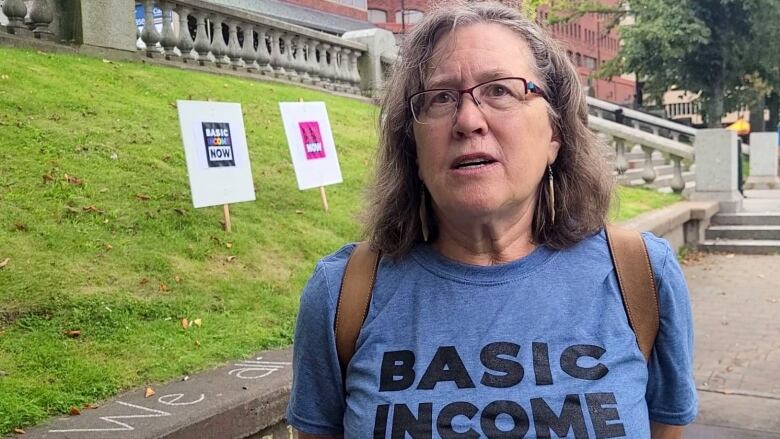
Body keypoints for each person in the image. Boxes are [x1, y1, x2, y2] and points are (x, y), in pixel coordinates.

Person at [286, 2, 697, 437]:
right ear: (414, 146)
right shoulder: (343, 296)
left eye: (500, 90)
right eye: (441, 97)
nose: (467, 120)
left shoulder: (641, 278)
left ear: (555, 133)